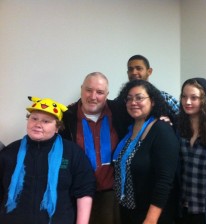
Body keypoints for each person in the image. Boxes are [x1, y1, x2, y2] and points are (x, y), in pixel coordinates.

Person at [0, 96, 96, 224]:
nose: (38, 124)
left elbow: (84, 191)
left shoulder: (72, 152)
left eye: (46, 121)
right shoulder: (10, 151)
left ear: (57, 128)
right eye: (34, 118)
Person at [60, 72, 127, 224]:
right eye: (89, 90)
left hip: (112, 196)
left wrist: (164, 117)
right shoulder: (66, 117)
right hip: (76, 194)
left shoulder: (120, 112)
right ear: (81, 89)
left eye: (100, 92)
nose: (93, 96)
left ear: (107, 94)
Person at [113, 79, 180, 224]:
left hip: (152, 215)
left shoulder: (162, 130)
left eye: (139, 98)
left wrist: (151, 219)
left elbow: (165, 180)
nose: (133, 102)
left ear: (153, 102)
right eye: (129, 99)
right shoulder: (128, 130)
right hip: (128, 211)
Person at [176, 78, 206, 224]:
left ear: (205, 100)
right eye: (184, 96)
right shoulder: (177, 127)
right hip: (182, 206)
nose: (187, 102)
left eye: (194, 97)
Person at [127, 54, 180, 120]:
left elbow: (184, 119)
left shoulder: (165, 98)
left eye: (139, 68)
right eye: (130, 69)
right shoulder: (123, 100)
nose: (134, 72)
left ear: (149, 71)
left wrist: (171, 122)